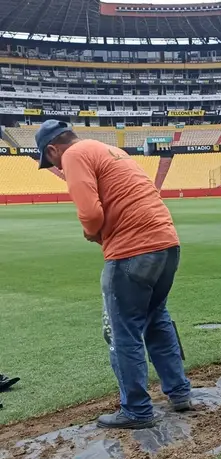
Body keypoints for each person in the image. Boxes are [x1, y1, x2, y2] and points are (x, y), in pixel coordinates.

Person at [37, 120, 193, 430]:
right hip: (166, 245)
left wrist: (91, 234)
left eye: (50, 161)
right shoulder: (109, 149)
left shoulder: (73, 155)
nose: (56, 167)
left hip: (132, 250)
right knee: (157, 320)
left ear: (53, 149)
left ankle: (136, 410)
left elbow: (91, 213)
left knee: (123, 332)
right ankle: (179, 393)